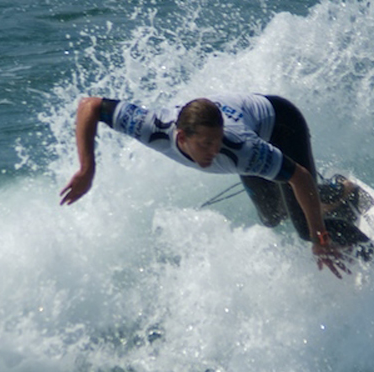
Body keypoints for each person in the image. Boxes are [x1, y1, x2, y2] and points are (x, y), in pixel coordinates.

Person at [60, 93, 351, 278]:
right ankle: (330, 195)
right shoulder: (152, 127)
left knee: (304, 229)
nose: (214, 151)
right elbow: (90, 106)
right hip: (252, 138)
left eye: (217, 141)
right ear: (182, 137)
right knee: (272, 217)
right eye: (206, 144)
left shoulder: (239, 148)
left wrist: (319, 238)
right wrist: (87, 168)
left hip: (281, 125)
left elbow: (298, 177)